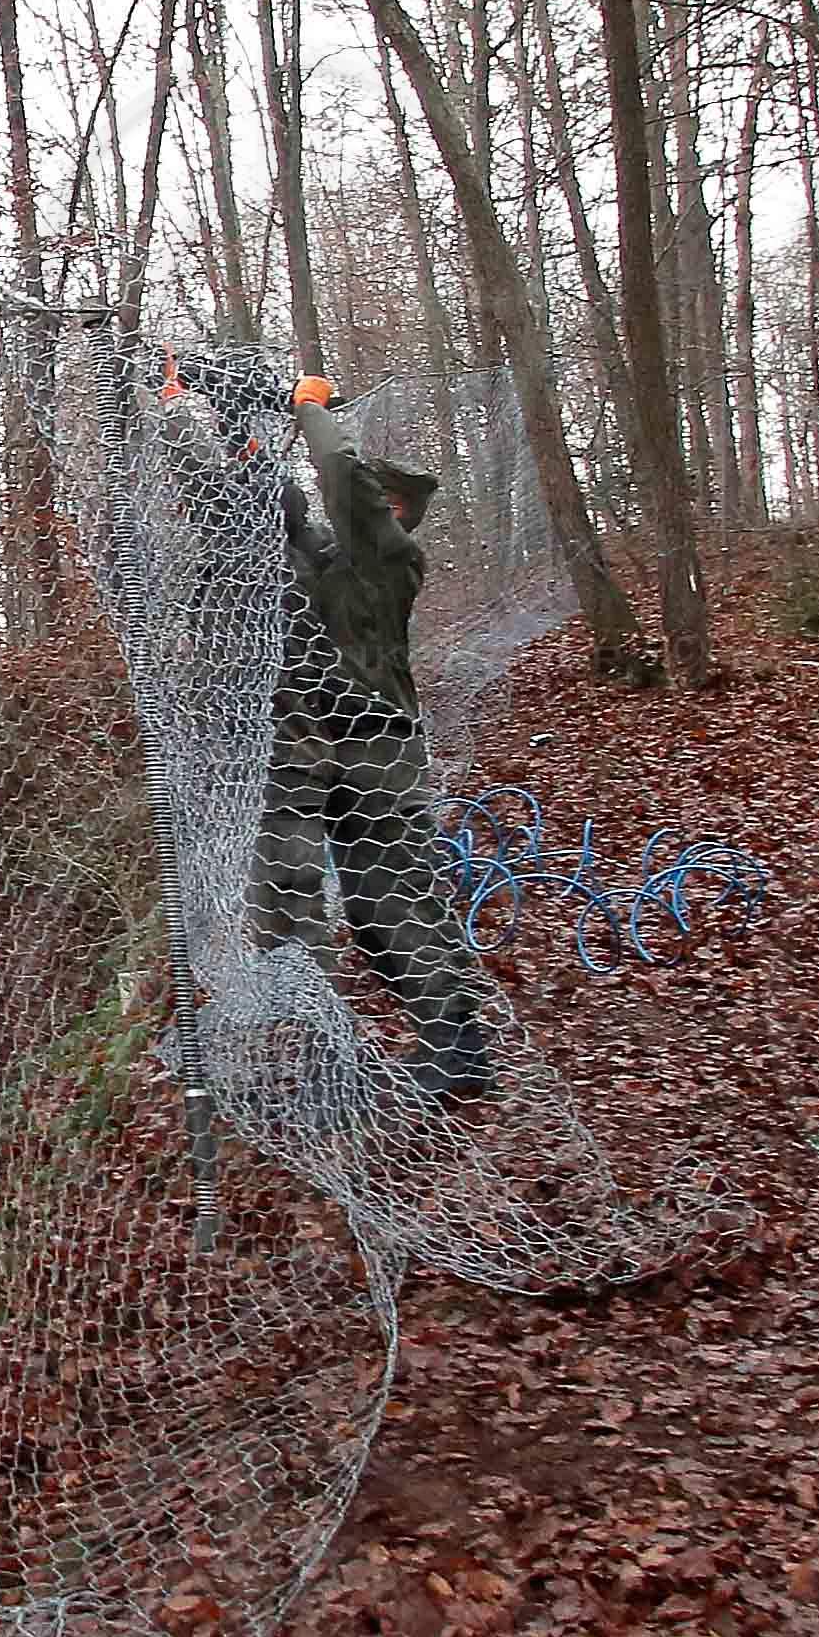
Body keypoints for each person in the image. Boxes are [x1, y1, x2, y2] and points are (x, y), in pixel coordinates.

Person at [252, 380, 497, 1104]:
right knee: (357, 909)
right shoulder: (336, 564)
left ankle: (456, 1047)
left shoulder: (387, 556)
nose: (346, 507)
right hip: (330, 753)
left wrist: (308, 407)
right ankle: (355, 1053)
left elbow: (336, 479)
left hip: (378, 752)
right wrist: (243, 455)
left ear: (392, 512)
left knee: (397, 900)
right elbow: (291, 533)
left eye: (370, 498)